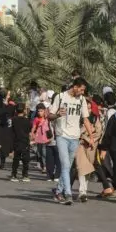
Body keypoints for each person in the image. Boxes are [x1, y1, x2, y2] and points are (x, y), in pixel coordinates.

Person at [49, 77, 94, 205]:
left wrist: (91, 137)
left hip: (75, 137)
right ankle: (68, 194)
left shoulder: (82, 100)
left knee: (67, 166)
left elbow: (85, 119)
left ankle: (58, 191)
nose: (82, 92)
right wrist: (58, 114)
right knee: (65, 165)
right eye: (81, 89)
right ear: (74, 87)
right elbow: (49, 115)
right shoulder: (61, 97)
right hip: (62, 135)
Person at [10, 103, 32, 182]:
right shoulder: (27, 121)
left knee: (16, 158)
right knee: (25, 159)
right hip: (25, 141)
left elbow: (11, 131)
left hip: (16, 141)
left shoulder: (13, 120)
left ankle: (14, 174)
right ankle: (25, 175)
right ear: (24, 110)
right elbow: (29, 131)